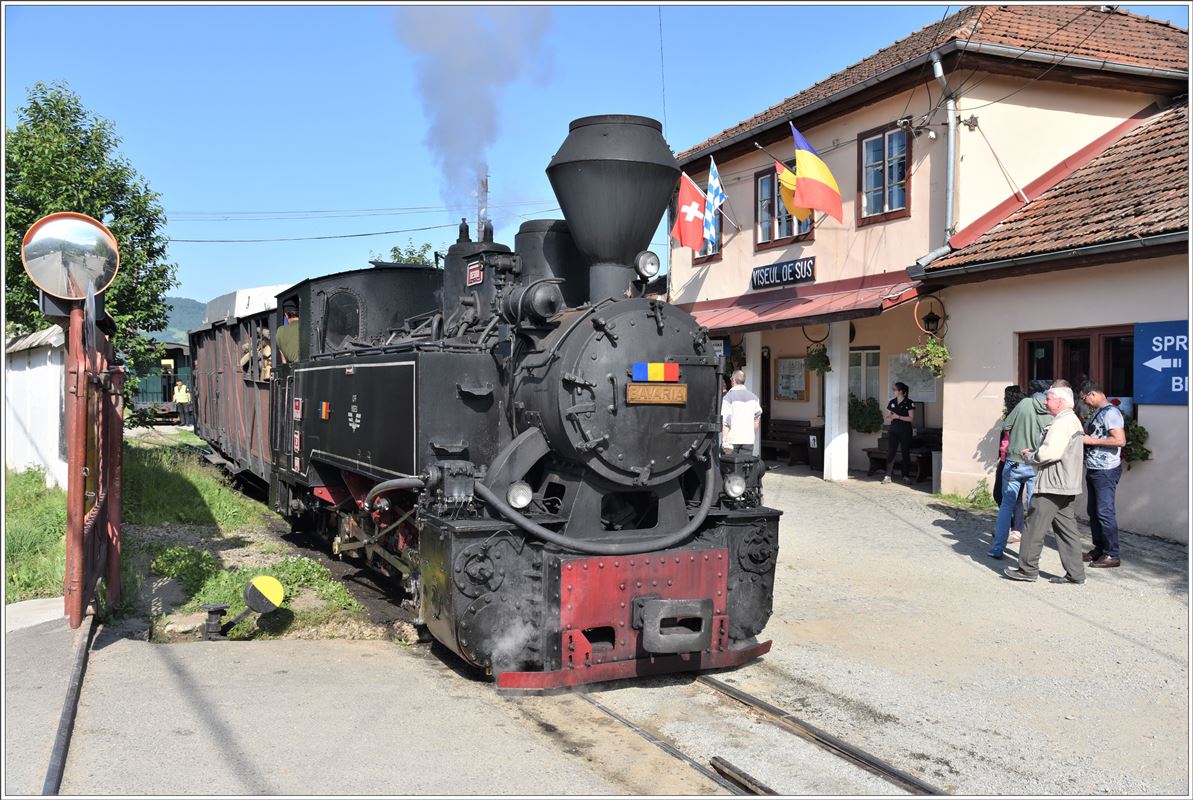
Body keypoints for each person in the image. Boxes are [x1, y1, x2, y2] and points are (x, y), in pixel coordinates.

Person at [1004, 386, 1087, 585]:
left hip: (1052, 484)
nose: (1045, 402)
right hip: (1066, 483)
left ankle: (1027, 570)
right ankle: (1076, 574)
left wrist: (1031, 456)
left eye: (1048, 399)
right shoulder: (1071, 419)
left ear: (1060, 402)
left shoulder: (1061, 423)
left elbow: (1050, 453)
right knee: (1067, 530)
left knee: (1033, 526)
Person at [988, 385, 1053, 559]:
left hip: (1014, 461)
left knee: (1006, 506)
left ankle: (997, 549)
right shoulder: (1050, 411)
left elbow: (1007, 426)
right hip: (1035, 464)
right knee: (1034, 509)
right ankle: (1031, 554)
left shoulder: (1023, 404)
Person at [1080, 382, 1126, 568]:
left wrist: (1091, 440)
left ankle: (1112, 554)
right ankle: (1100, 549)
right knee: (1093, 511)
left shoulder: (1111, 413)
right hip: (1094, 468)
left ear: (1092, 394)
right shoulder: (1099, 412)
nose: (1085, 402)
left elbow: (1120, 440)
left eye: (1084, 398)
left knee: (1104, 512)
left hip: (1106, 469)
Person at [721, 370, 762, 455]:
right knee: (745, 466)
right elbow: (757, 419)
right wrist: (752, 433)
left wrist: (724, 439)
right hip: (748, 439)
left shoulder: (728, 398)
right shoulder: (754, 398)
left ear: (733, 380)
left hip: (733, 439)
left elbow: (726, 421)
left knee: (732, 466)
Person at [882, 382, 914, 484]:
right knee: (891, 452)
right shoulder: (892, 402)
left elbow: (911, 418)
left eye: (895, 389)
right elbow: (889, 415)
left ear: (900, 391)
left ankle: (906, 476)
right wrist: (890, 417)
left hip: (905, 431)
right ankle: (888, 476)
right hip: (894, 431)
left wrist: (898, 417)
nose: (893, 391)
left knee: (905, 453)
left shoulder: (909, 402)